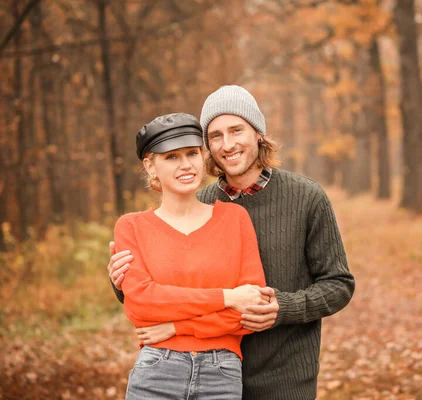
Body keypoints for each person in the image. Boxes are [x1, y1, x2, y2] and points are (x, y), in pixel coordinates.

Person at [108, 86, 355, 399]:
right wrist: (123, 283)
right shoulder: (202, 204)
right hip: (221, 370)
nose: (228, 144)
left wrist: (283, 307)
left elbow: (339, 285)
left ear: (258, 134)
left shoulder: (306, 197)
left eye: (236, 130)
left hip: (284, 376)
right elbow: (169, 291)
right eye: (215, 136)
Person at [114, 112, 267, 399]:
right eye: (171, 157)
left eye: (192, 153)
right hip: (156, 372)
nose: (186, 165)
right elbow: (141, 305)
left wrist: (176, 326)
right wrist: (227, 297)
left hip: (221, 374)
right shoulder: (131, 227)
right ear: (150, 166)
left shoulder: (235, 219)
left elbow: (250, 308)